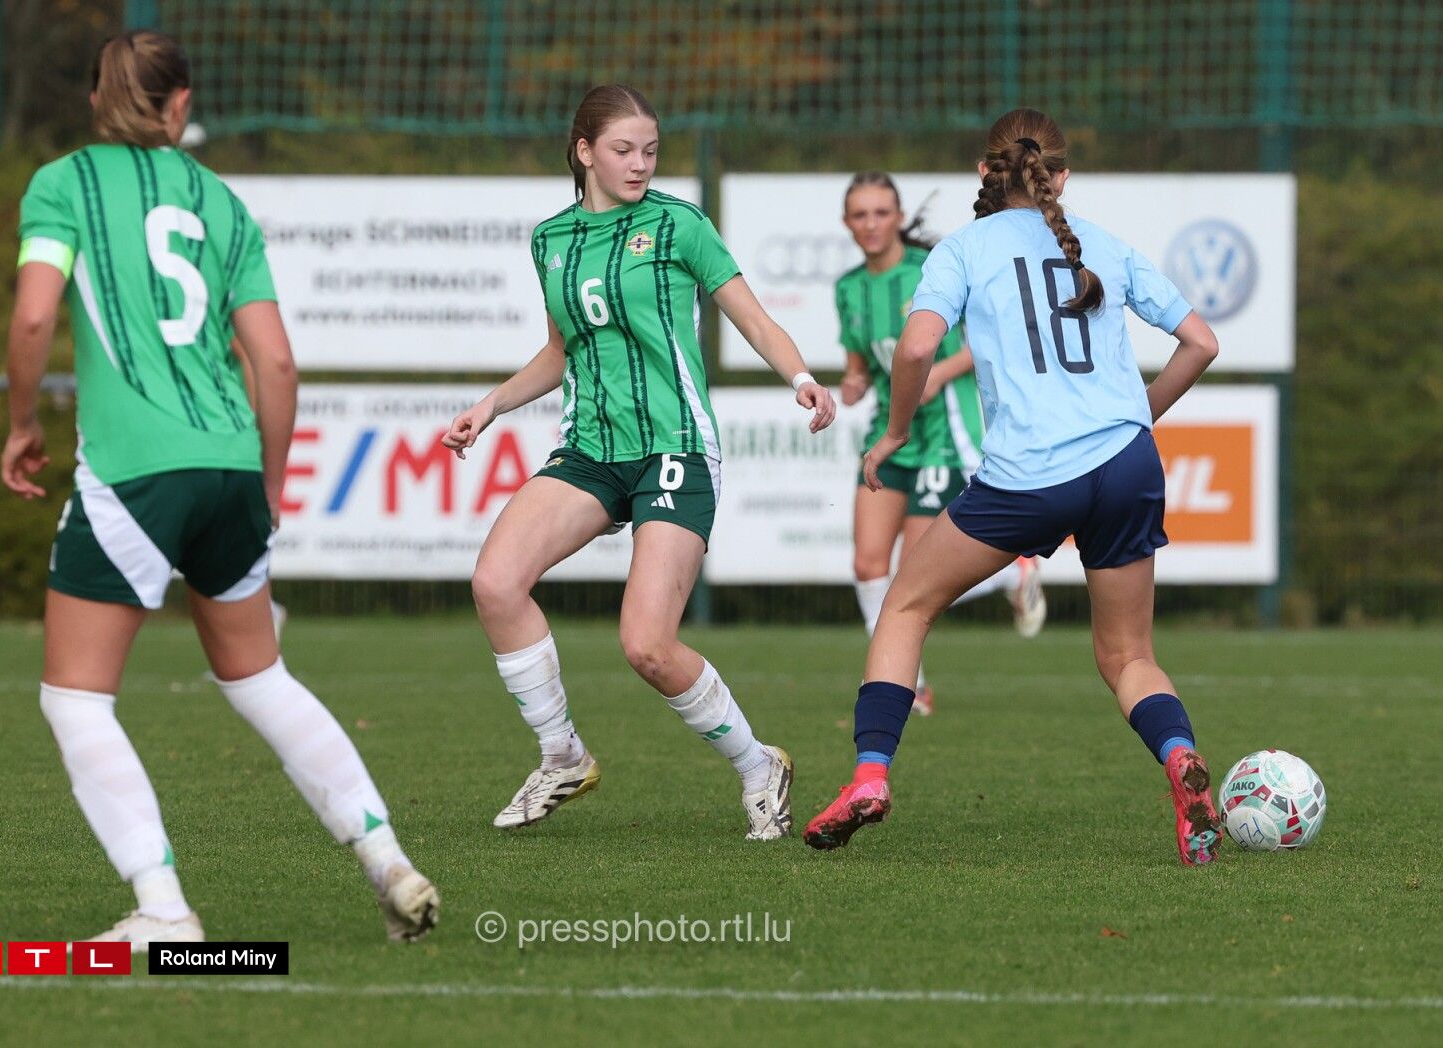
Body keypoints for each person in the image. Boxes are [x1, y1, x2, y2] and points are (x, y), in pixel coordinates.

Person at [1, 31, 437, 949]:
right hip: (233, 461)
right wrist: (268, 483)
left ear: (96, 100)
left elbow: (35, 314)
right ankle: (388, 859)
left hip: (134, 470)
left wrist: (23, 423)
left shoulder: (64, 183)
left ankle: (164, 910)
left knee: (75, 698)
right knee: (261, 677)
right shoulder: (223, 203)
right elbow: (275, 362)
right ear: (181, 104)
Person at [803, 109, 1224, 865]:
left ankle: (869, 777)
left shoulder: (965, 248)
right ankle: (1179, 755)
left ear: (984, 173)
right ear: (1061, 175)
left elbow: (917, 348)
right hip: (1127, 463)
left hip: (1031, 473)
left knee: (905, 604)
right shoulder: (1104, 243)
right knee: (1128, 654)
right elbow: (1201, 343)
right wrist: (1136, 419)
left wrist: (894, 433)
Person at [444, 84, 836, 840]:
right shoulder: (551, 240)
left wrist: (801, 378)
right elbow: (560, 351)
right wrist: (491, 405)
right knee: (495, 582)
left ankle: (759, 765)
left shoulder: (678, 224)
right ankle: (561, 755)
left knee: (647, 646)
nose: (640, 163)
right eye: (623, 149)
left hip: (674, 447)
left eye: (650, 150)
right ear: (584, 151)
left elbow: (753, 318)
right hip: (591, 450)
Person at [835, 172, 1047, 716]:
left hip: (943, 436)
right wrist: (852, 383)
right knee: (868, 566)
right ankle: (913, 686)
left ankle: (1013, 573)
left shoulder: (931, 268)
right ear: (847, 223)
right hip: (890, 434)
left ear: (899, 217)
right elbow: (860, 366)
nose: (871, 224)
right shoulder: (849, 288)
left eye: (881, 212)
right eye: (860, 215)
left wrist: (940, 372)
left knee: (914, 574)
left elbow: (985, 340)